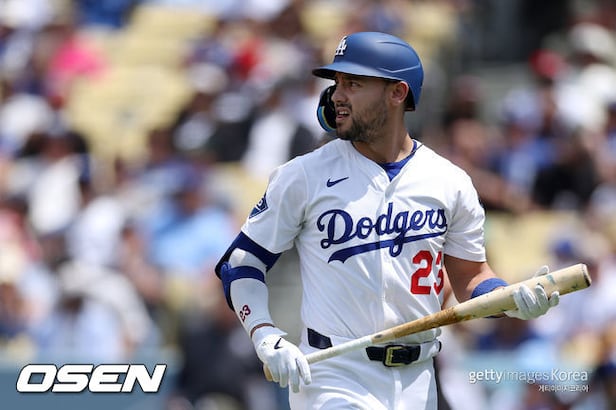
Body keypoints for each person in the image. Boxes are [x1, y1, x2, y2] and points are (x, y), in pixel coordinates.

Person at [215, 31, 560, 410]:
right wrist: (265, 334)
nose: (337, 95)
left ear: (397, 93)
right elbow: (240, 264)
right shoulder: (303, 175)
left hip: (419, 377)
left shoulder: (450, 181)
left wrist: (510, 300)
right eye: (337, 83)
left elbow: (470, 277)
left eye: (353, 83)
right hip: (333, 374)